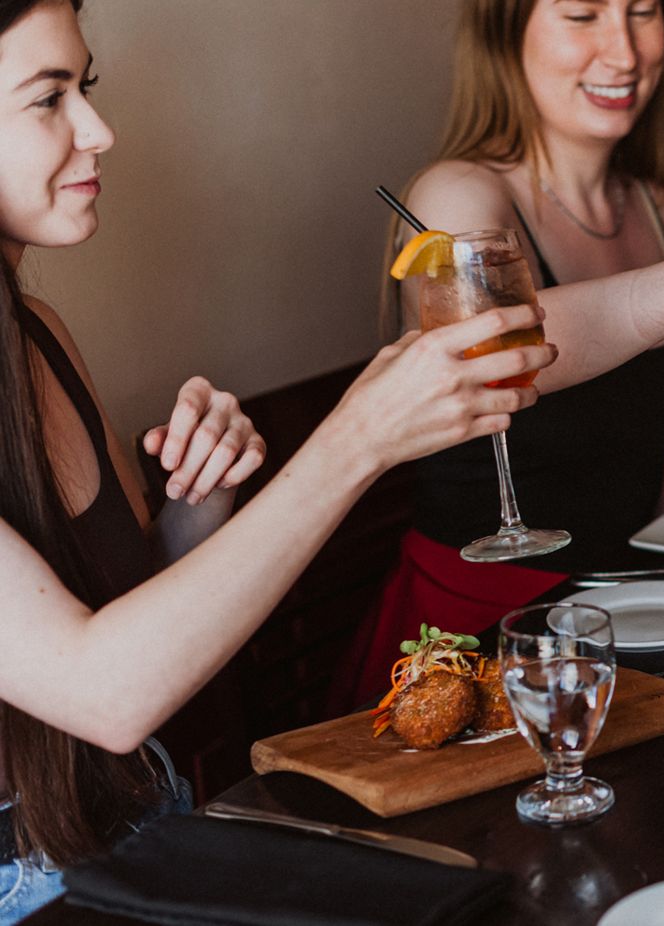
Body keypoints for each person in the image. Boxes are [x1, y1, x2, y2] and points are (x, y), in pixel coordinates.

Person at [0, 1, 554, 920]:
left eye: (84, 87)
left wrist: (198, 510)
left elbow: (132, 624)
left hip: (143, 828)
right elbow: (103, 693)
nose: (100, 129)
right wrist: (356, 440)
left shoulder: (38, 336)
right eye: (48, 98)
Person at [337, 0, 664, 706]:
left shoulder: (652, 203)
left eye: (643, 11)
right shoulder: (457, 196)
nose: (623, 52)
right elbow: (510, 346)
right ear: (505, 33)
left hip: (631, 623)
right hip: (469, 644)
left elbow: (657, 444)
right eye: (583, 13)